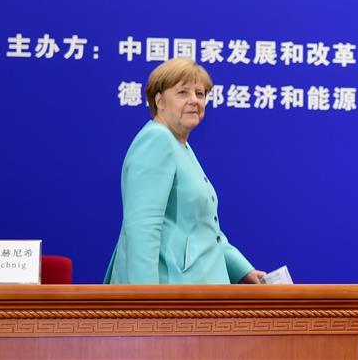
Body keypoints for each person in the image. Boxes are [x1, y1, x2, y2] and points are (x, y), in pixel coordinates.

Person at [105, 58, 264, 284]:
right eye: (183, 93)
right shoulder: (157, 139)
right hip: (174, 297)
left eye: (200, 94)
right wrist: (145, 303)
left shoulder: (181, 145)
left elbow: (201, 229)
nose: (194, 101)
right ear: (159, 100)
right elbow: (142, 229)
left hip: (198, 293)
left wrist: (243, 270)